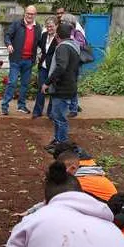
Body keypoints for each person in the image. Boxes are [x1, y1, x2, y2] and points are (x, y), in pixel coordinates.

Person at [41, 23, 80, 151]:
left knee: (60, 118)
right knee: (57, 116)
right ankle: (58, 140)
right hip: (69, 86)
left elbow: (61, 67)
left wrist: (47, 82)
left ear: (57, 36)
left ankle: (62, 145)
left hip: (62, 88)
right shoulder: (74, 46)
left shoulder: (63, 47)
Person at [1, 5, 42, 115]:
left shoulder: (37, 27)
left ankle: (21, 105)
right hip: (16, 59)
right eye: (28, 13)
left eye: (32, 14)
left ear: (35, 15)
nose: (29, 15)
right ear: (25, 13)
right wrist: (9, 44)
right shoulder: (17, 24)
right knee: (12, 82)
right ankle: (5, 105)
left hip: (29, 61)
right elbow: (7, 35)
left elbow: (40, 42)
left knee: (25, 84)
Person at [61, 13, 87, 117]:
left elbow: (80, 45)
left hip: (74, 64)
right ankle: (68, 107)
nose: (61, 23)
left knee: (72, 85)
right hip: (66, 63)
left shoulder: (77, 33)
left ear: (69, 23)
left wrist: (71, 38)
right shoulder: (64, 32)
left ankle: (73, 108)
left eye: (63, 21)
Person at [32, 16, 57, 119]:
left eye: (51, 26)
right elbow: (40, 48)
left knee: (52, 89)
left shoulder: (59, 37)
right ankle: (37, 111)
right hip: (43, 66)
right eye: (47, 26)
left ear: (56, 26)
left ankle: (51, 112)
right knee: (41, 88)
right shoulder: (44, 35)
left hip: (54, 67)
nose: (49, 28)